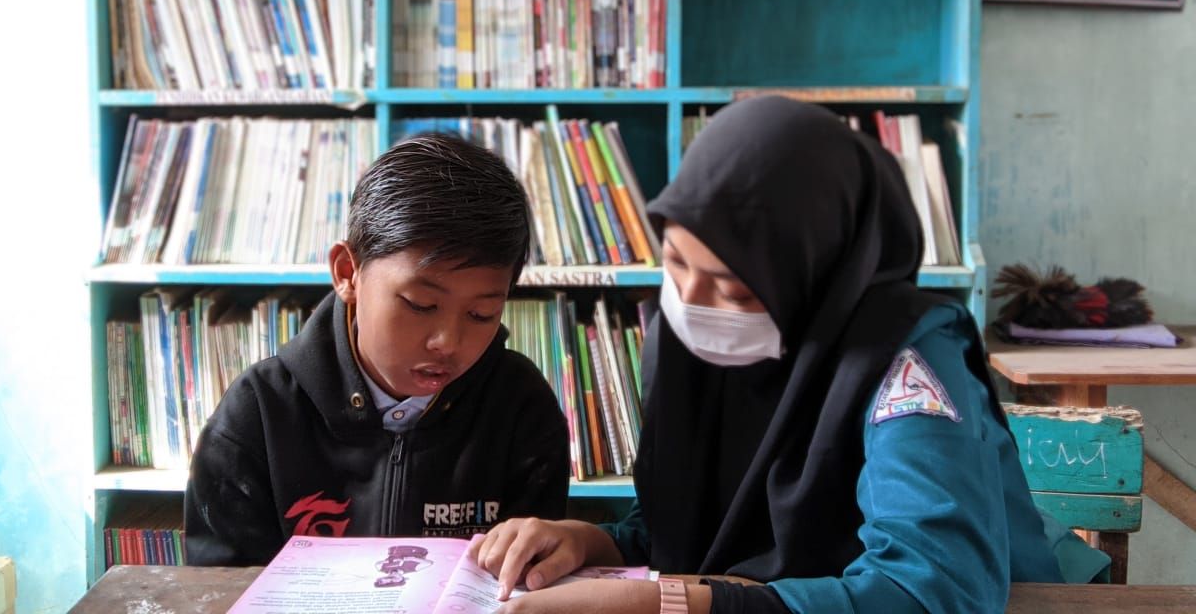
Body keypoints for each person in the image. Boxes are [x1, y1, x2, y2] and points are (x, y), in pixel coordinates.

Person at [471, 96, 1108, 613]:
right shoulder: (682, 330)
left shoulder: (909, 358)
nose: (692, 303)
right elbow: (696, 527)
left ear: (813, 275)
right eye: (675, 263)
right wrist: (592, 540)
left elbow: (930, 590)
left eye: (736, 287)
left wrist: (666, 603)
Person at [185, 133, 570, 565]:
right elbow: (220, 585)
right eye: (420, 305)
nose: (447, 342)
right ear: (348, 273)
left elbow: (530, 579)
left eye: (481, 314)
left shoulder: (519, 406)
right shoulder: (260, 410)